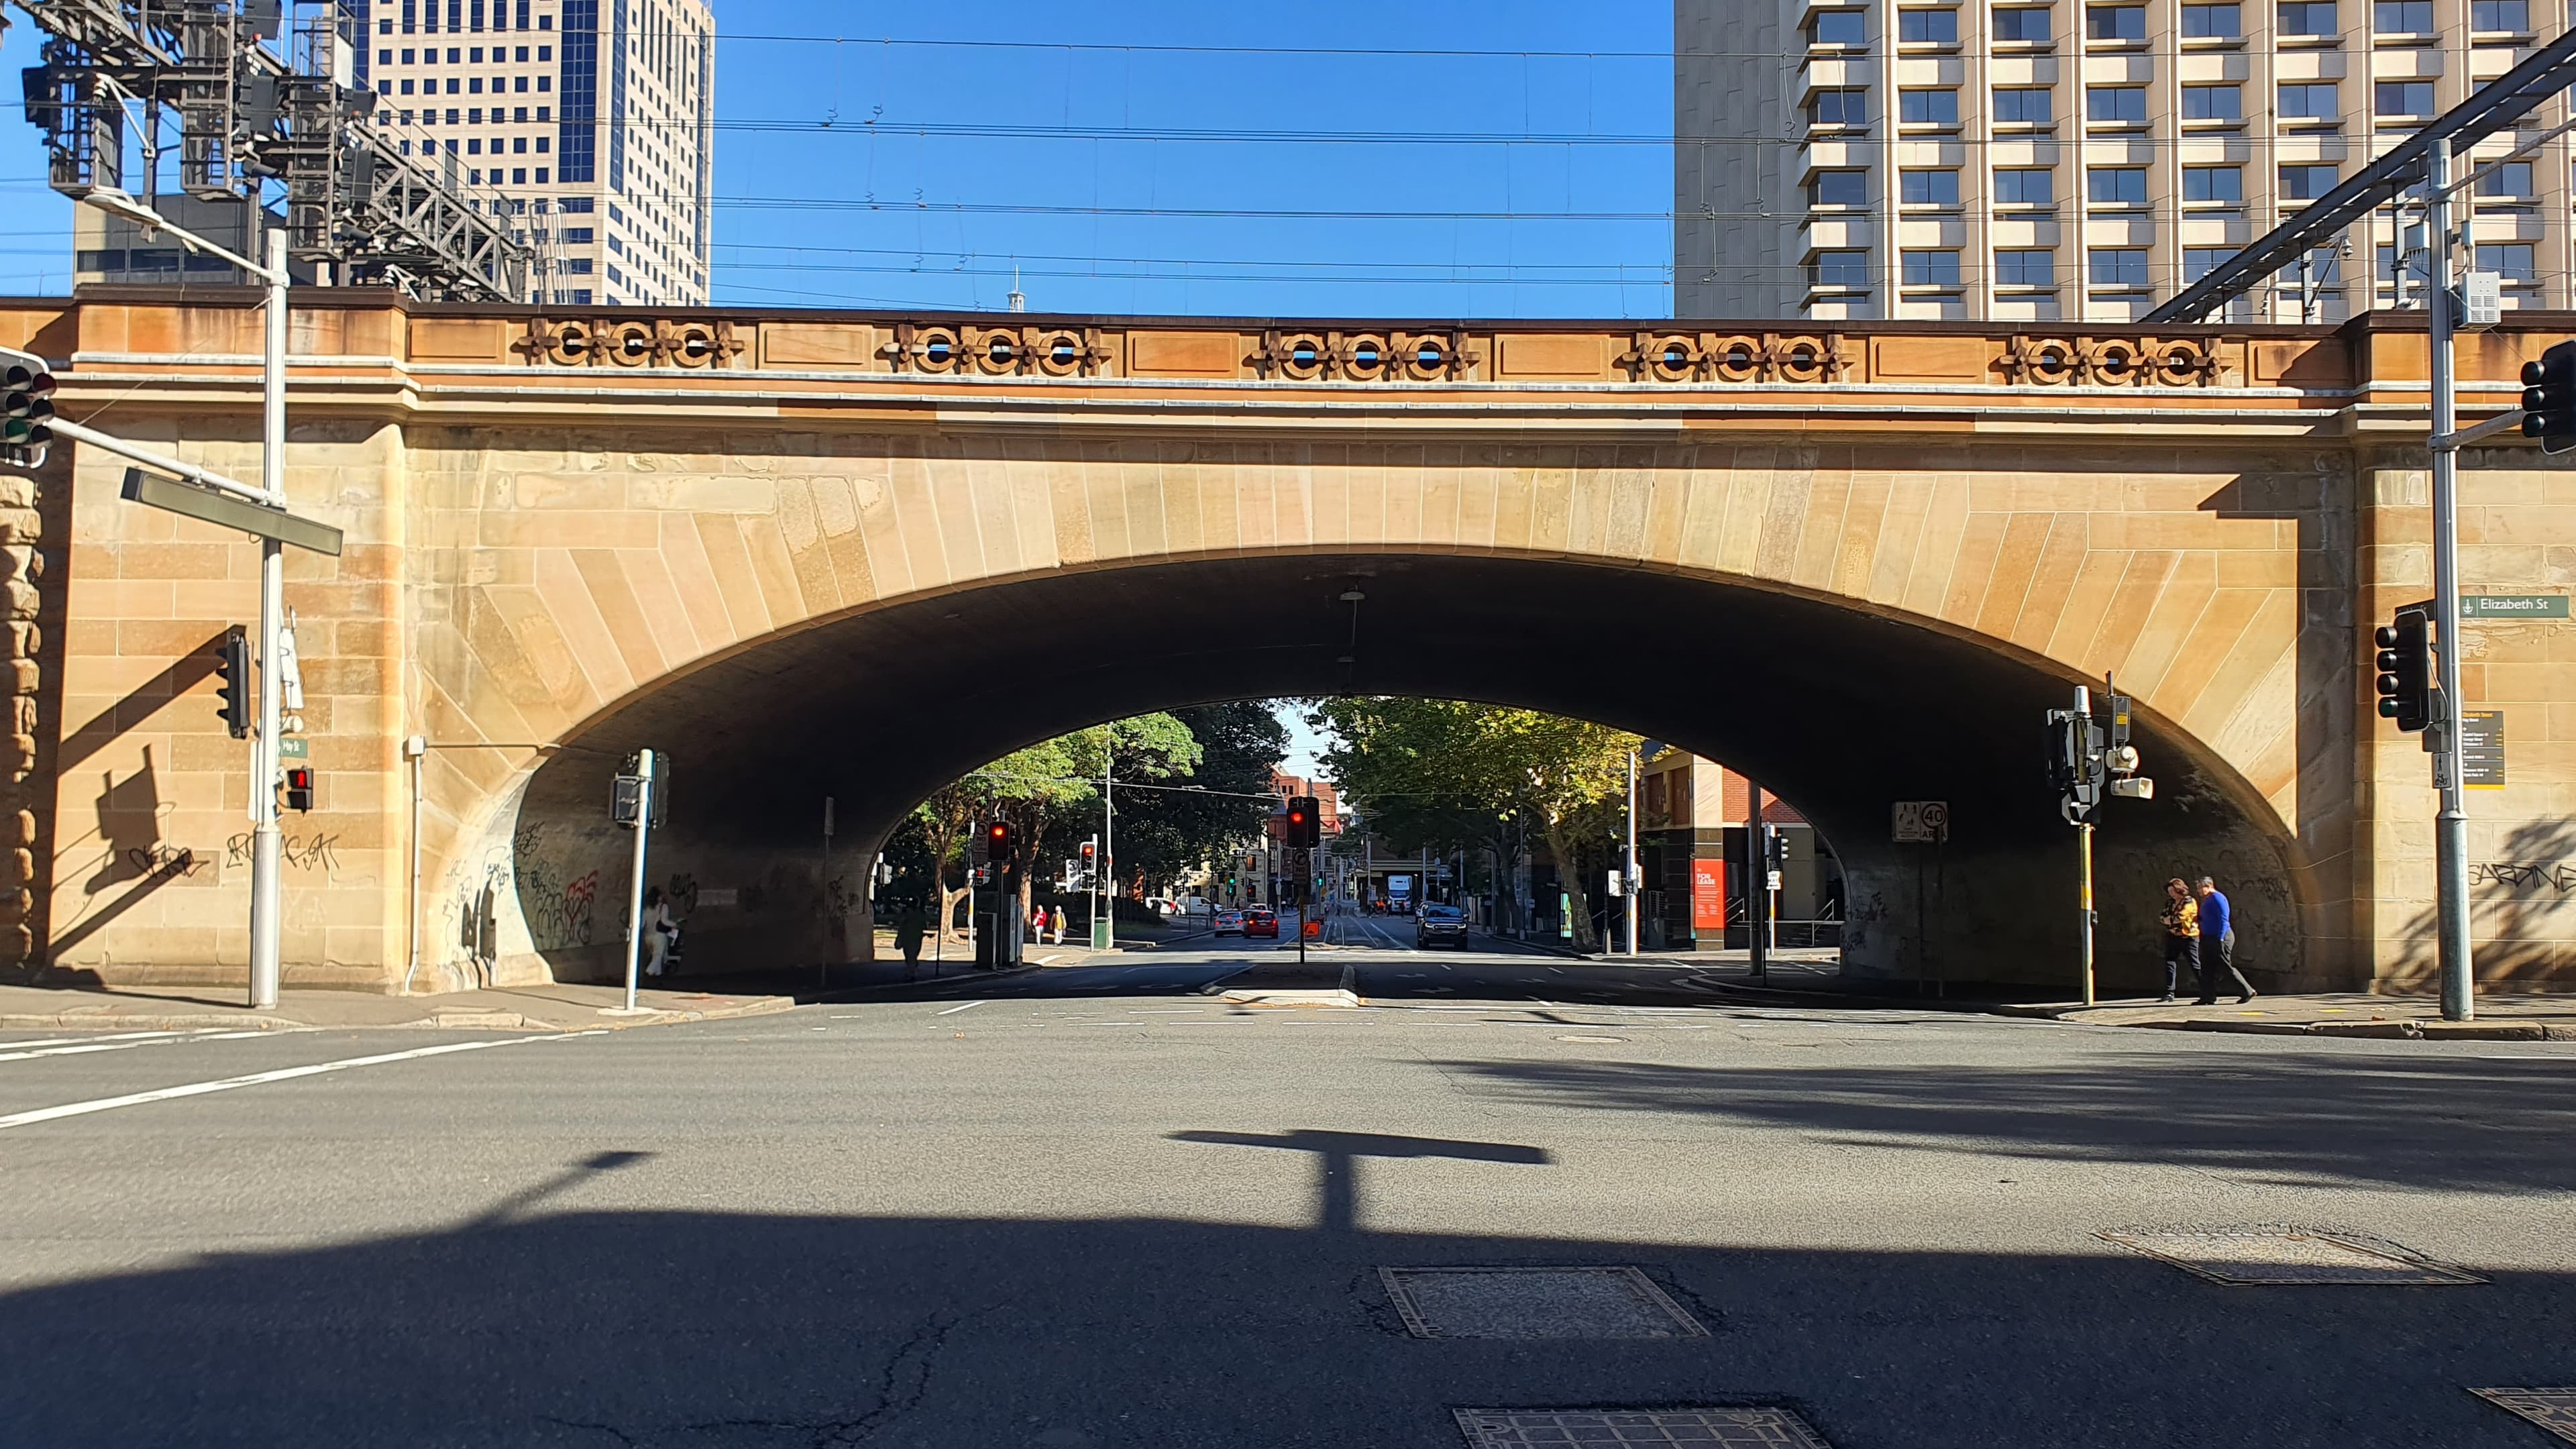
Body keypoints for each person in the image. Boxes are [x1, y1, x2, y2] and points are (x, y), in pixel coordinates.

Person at [2192, 875, 2257, 1004]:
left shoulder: (2218, 898)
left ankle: (2247, 991)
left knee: (2224, 965)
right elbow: (2208, 917)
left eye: (2201, 888)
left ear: (2209, 886)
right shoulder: (2207, 900)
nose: (2199, 891)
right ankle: (2208, 996)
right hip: (2208, 937)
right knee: (2206, 967)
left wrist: (2221, 938)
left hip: (2220, 937)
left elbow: (2223, 919)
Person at [2157, 878, 2198, 1003]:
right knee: (2170, 962)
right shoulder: (2170, 903)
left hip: (2188, 936)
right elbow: (2162, 917)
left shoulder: (2189, 901)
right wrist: (2169, 920)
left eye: (2173, 891)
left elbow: (2180, 917)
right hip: (2173, 936)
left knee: (2194, 964)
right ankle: (2170, 992)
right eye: (2169, 891)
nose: (2171, 894)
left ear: (2180, 890)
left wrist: (2169, 920)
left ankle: (2207, 989)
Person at [641, 887, 674, 977]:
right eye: (661, 895)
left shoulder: (646, 908)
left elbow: (642, 923)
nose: (662, 897)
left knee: (655, 956)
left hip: (648, 936)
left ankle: (658, 976)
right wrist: (676, 925)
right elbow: (664, 921)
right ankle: (649, 972)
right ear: (658, 897)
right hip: (659, 935)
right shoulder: (663, 906)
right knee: (658, 956)